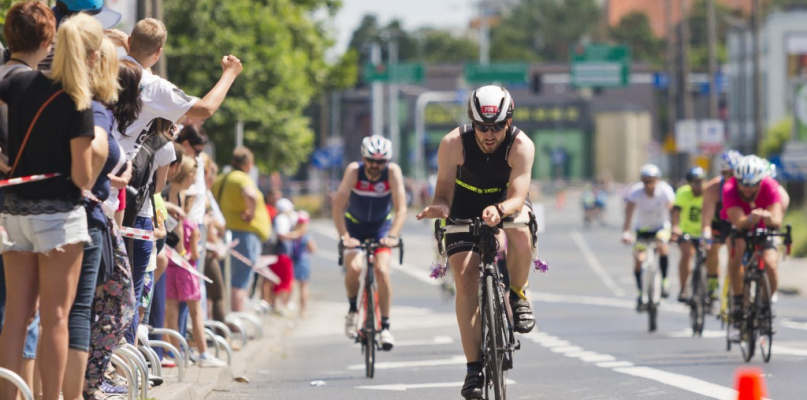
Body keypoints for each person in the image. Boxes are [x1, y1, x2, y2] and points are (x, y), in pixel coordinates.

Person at [0, 12, 101, 400]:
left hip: (14, 213)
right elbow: (80, 178)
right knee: (55, 317)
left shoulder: (22, 83)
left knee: (15, 317)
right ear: (91, 58)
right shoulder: (78, 101)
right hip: (57, 216)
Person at [415, 86, 536, 399]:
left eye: (497, 127)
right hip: (463, 208)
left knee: (521, 231)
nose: (489, 134)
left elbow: (518, 196)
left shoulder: (521, 145)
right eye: (483, 126)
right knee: (466, 277)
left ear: (508, 122)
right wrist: (439, 207)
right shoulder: (454, 143)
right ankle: (473, 369)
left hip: (505, 204)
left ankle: (519, 295)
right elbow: (442, 192)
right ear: (473, 122)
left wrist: (498, 210)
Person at [332, 135, 407, 350]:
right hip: (354, 226)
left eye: (380, 162)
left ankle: (385, 326)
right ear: (363, 158)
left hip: (381, 228)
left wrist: (392, 235)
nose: (375, 166)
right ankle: (353, 310)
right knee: (355, 268)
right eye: (371, 161)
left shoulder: (392, 172)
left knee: (382, 270)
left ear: (387, 162)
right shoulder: (354, 171)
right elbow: (338, 207)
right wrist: (344, 235)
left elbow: (401, 209)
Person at [164, 156, 227, 367]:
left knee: (171, 308)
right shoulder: (186, 213)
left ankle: (172, 351)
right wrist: (189, 247)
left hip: (171, 262)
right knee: (196, 310)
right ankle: (203, 353)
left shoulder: (171, 195)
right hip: (185, 264)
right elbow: (189, 248)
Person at [721, 155, 784, 325]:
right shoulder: (729, 188)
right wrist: (750, 219)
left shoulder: (770, 186)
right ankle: (738, 300)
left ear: (761, 182)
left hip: (764, 227)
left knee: (770, 264)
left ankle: (765, 303)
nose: (747, 189)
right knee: (737, 251)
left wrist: (767, 217)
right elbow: (738, 221)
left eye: (752, 185)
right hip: (741, 224)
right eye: (743, 184)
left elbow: (777, 220)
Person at [212, 147, 271, 312]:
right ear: (248, 164)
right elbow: (251, 196)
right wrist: (251, 214)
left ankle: (224, 316)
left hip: (225, 233)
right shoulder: (242, 178)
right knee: (240, 281)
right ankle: (236, 317)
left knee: (225, 279)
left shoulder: (221, 178)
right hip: (244, 234)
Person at [621, 164, 675, 310]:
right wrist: (626, 231)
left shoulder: (665, 190)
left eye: (652, 181)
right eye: (646, 181)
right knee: (638, 259)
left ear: (658, 180)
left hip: (661, 228)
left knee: (663, 247)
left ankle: (664, 282)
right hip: (643, 230)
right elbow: (629, 213)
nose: (649, 185)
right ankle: (640, 294)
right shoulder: (636, 192)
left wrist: (675, 228)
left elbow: (672, 210)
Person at [700, 150, 743, 302]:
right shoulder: (713, 188)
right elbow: (706, 217)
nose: (730, 177)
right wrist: (706, 233)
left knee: (736, 252)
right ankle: (712, 283)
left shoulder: (745, 186)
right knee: (711, 248)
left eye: (734, 173)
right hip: (718, 223)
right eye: (726, 173)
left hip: (737, 222)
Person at [671, 166, 706, 303]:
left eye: (701, 181)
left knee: (711, 256)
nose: (698, 185)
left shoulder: (709, 192)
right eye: (695, 182)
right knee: (686, 254)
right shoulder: (682, 193)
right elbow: (676, 212)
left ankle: (710, 289)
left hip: (704, 232)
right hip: (686, 231)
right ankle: (684, 289)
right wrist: (675, 227)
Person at [266, 198, 297, 316]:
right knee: (284, 280)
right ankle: (280, 305)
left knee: (280, 280)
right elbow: (281, 235)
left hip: (279, 254)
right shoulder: (282, 218)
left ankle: (278, 304)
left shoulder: (278, 218)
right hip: (281, 254)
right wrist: (294, 235)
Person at [291, 211, 316, 318]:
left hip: (292, 261)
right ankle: (302, 309)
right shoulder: (305, 236)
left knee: (291, 284)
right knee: (303, 286)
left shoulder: (292, 234)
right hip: (303, 261)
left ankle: (288, 305)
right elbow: (313, 249)